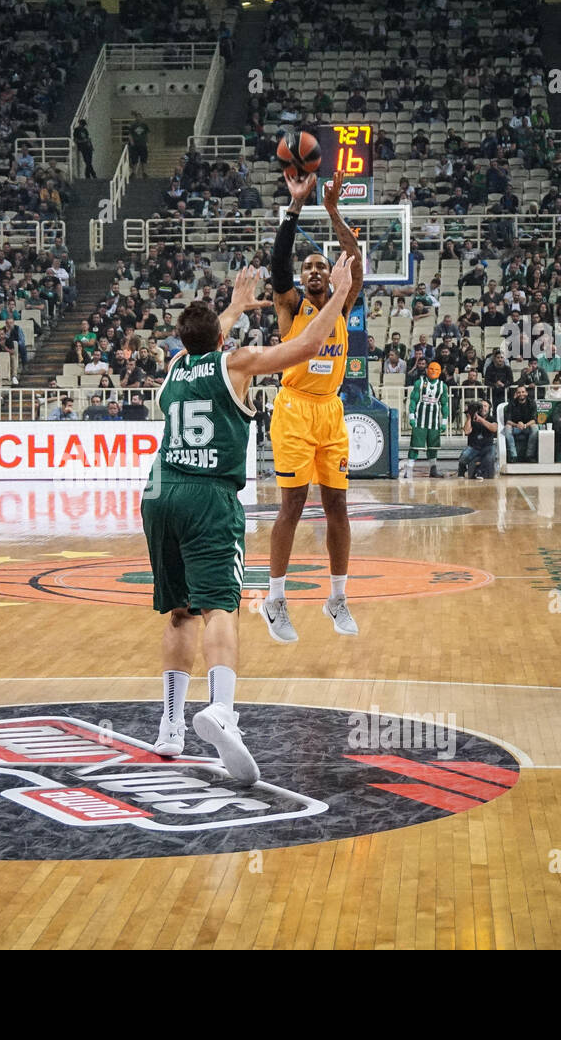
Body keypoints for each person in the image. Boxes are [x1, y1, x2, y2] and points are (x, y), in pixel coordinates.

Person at [143, 259, 354, 778]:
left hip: (158, 493)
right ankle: (221, 711)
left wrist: (236, 304)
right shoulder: (235, 363)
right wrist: (338, 295)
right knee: (221, 609)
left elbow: (205, 339)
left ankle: (170, 728)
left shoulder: (175, 368)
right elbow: (304, 348)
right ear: (220, 336)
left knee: (180, 613)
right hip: (207, 498)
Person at [262, 169, 364, 644]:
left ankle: (337, 597)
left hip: (331, 412)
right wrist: (295, 206)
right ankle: (275, 598)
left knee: (338, 505)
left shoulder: (341, 306)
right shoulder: (290, 305)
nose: (315, 271)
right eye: (309, 268)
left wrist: (331, 209)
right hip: (294, 409)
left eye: (322, 266)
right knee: (293, 504)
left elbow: (355, 261)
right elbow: (278, 263)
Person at [458, 399, 499, 478]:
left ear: (489, 408)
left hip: (487, 447)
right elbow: (466, 431)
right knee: (463, 457)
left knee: (490, 457)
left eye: (485, 406)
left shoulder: (492, 419)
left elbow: (494, 428)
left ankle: (480, 472)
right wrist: (469, 417)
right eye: (481, 406)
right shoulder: (472, 418)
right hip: (474, 447)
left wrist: (480, 420)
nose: (483, 408)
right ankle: (461, 470)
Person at [504, 385, 538, 462]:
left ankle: (530, 455)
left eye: (523, 392)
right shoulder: (511, 403)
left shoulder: (532, 403)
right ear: (516, 394)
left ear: (526, 393)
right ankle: (513, 456)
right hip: (516, 427)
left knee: (535, 428)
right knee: (507, 427)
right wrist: (517, 425)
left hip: (527, 427)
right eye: (519, 392)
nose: (521, 394)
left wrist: (525, 425)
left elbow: (534, 420)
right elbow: (507, 420)